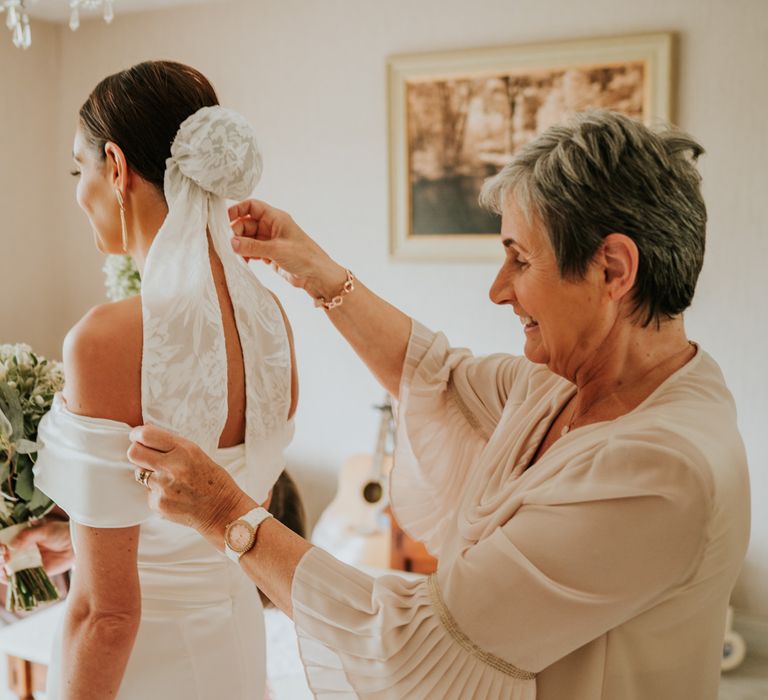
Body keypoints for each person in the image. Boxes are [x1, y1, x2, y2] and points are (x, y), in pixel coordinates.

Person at [127, 111, 750, 700]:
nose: (498, 289)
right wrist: (316, 270)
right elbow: (436, 375)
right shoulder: (560, 385)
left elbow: (422, 640)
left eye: (520, 258)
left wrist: (228, 516)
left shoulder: (661, 471)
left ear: (613, 269)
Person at [29, 61, 299, 699]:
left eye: (80, 168)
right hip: (234, 643)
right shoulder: (271, 319)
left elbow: (106, 614)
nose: (79, 189)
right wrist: (78, 535)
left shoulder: (102, 341)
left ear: (116, 168)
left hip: (144, 669)